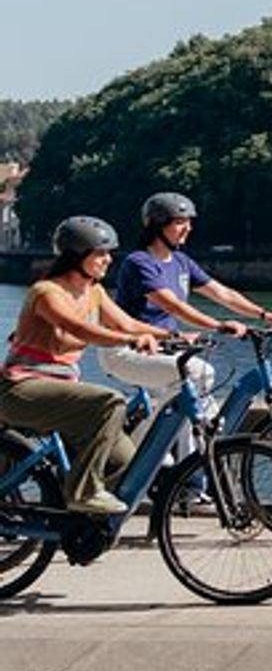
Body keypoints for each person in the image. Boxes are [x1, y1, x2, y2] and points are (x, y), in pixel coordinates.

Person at [102, 192, 272, 478]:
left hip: (166, 351)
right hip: (127, 351)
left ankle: (189, 476)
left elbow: (221, 293)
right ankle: (145, 449)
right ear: (157, 225)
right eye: (180, 222)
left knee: (207, 413)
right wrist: (217, 326)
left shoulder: (181, 262)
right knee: (198, 373)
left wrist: (264, 314)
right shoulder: (139, 262)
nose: (188, 228)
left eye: (189, 222)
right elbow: (173, 306)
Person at [0, 217, 174, 514]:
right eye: (100, 253)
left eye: (109, 253)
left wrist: (176, 336)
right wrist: (131, 341)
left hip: (61, 390)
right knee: (109, 403)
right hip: (20, 389)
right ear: (76, 255)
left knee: (126, 462)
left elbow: (127, 323)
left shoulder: (94, 291)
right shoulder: (46, 292)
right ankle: (83, 493)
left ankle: (72, 515)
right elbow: (79, 329)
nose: (108, 260)